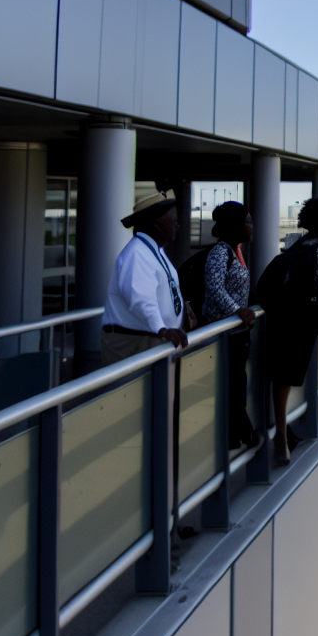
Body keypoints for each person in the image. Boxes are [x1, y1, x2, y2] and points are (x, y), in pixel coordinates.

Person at [259, 197, 318, 465]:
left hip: (280, 317)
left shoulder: (297, 244)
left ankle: (281, 433)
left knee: (281, 378)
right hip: (303, 320)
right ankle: (283, 438)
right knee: (291, 376)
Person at [101, 189, 189, 365]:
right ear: (156, 225)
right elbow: (141, 299)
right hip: (135, 342)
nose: (176, 227)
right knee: (133, 392)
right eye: (173, 222)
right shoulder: (137, 253)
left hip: (149, 339)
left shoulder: (153, 250)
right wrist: (162, 329)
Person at [201, 201, 259, 451]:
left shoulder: (236, 250)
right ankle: (242, 433)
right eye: (247, 221)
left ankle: (235, 437)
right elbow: (214, 288)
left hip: (236, 333)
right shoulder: (219, 253)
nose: (251, 226)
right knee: (232, 386)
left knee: (237, 384)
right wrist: (238, 311)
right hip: (222, 333)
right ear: (236, 225)